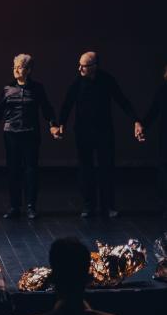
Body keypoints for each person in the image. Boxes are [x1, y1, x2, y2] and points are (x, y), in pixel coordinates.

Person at [56, 50, 141, 218]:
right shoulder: (77, 82)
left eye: (84, 66)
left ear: (94, 67)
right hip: (83, 133)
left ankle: (108, 206)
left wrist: (136, 121)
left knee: (106, 169)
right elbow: (67, 104)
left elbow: (122, 100)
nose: (80, 69)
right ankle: (88, 206)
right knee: (85, 169)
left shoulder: (107, 80)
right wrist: (61, 125)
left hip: (104, 132)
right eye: (79, 65)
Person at [0, 54, 58, 219]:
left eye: (20, 67)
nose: (16, 70)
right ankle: (14, 206)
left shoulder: (37, 88)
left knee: (31, 171)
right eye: (14, 67)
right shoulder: (7, 89)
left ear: (29, 70)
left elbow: (47, 108)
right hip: (11, 134)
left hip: (30, 134)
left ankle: (31, 206)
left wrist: (53, 125)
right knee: (13, 171)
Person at [137, 64, 167, 216]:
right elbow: (154, 110)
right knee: (164, 168)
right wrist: (142, 126)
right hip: (165, 136)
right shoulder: (163, 90)